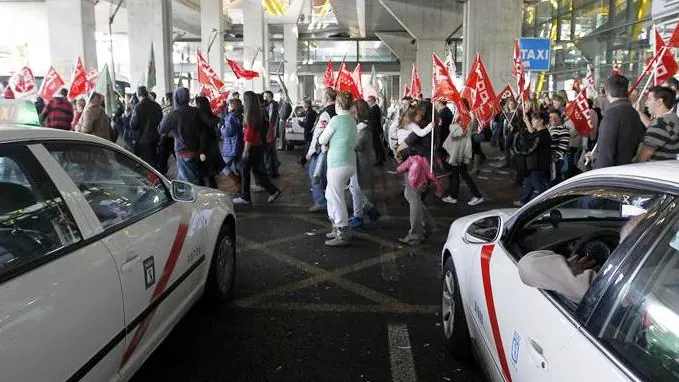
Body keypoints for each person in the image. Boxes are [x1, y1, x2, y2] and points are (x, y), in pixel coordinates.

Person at [319, 91, 357, 246]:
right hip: (350, 163)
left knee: (336, 197)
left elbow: (322, 139)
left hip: (337, 163)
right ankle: (336, 226)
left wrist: (325, 143)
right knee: (330, 195)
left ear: (338, 104)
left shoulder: (335, 120)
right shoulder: (353, 120)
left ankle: (342, 231)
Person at [232, 91, 282, 205]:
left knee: (244, 171)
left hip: (251, 147)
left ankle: (245, 197)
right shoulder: (258, 113)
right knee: (258, 173)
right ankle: (273, 190)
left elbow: (248, 136)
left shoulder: (250, 115)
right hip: (258, 146)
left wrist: (245, 151)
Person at [158, 87, 209, 185]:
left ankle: (197, 198)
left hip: (183, 151)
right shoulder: (196, 111)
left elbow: (161, 129)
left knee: (190, 182)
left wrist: (174, 129)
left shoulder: (173, 114)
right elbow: (205, 128)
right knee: (185, 176)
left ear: (175, 98)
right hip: (197, 149)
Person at [591, 75, 643, 169]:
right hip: (628, 169)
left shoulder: (612, 114)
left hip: (611, 174)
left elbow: (605, 155)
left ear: (607, 92)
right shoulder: (634, 113)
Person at [440, 108, 484, 206]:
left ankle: (456, 196)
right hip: (460, 151)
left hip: (458, 152)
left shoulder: (464, 120)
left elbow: (455, 133)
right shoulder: (467, 119)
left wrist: (453, 123)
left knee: (458, 174)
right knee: (463, 174)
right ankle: (475, 195)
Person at [349, 99, 381, 229]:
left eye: (352, 111)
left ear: (358, 112)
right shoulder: (362, 126)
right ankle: (367, 211)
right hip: (357, 162)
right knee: (354, 188)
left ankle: (360, 216)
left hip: (360, 163)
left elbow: (358, 145)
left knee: (356, 189)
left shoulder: (364, 128)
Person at [306, 87, 337, 212]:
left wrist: (310, 151)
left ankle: (320, 201)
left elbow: (318, 134)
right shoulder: (337, 110)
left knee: (315, 175)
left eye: (322, 96)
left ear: (327, 97)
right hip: (333, 149)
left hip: (322, 150)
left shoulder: (326, 113)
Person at [514, 109, 552, 206]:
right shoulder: (541, 132)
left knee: (539, 187)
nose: (532, 121)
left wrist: (520, 146)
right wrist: (526, 122)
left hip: (538, 165)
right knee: (530, 184)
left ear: (541, 121)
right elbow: (533, 135)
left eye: (534, 119)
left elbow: (530, 147)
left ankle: (547, 204)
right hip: (536, 164)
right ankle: (524, 200)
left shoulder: (542, 135)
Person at [636, 86, 679, 161]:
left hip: (654, 169)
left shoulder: (660, 123)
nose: (646, 102)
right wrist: (640, 112)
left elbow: (647, 152)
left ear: (659, 101)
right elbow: (655, 131)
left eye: (649, 99)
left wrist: (634, 166)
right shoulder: (672, 118)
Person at [194, 96, 226, 188]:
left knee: (205, 175)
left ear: (199, 105)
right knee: (209, 176)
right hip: (213, 148)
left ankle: (208, 196)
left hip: (205, 150)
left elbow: (203, 136)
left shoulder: (200, 117)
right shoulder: (211, 116)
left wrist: (201, 151)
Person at [130, 86, 163, 170]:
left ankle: (152, 180)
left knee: (148, 164)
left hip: (144, 139)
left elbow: (133, 125)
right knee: (155, 159)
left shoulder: (138, 107)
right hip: (157, 137)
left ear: (138, 95)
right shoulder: (157, 106)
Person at [221, 98, 244, 189]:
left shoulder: (231, 117)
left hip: (230, 146)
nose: (228, 107)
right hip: (238, 145)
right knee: (238, 167)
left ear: (233, 107)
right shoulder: (240, 116)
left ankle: (236, 181)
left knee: (222, 165)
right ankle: (242, 187)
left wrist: (222, 128)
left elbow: (228, 132)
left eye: (229, 105)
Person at [548, 107, 570, 183]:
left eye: (555, 117)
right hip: (549, 160)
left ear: (559, 118)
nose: (552, 119)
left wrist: (555, 158)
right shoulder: (549, 128)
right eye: (551, 117)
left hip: (557, 161)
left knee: (556, 181)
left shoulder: (563, 130)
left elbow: (562, 147)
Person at [262, 90, 280, 178]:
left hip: (270, 132)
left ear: (271, 97)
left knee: (268, 153)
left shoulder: (273, 105)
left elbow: (271, 121)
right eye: (264, 97)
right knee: (272, 152)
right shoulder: (268, 106)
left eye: (267, 97)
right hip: (271, 132)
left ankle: (270, 172)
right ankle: (274, 171)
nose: (265, 99)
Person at [158, 92, 175, 175]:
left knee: (162, 159)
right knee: (178, 159)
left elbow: (162, 125)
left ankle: (161, 176)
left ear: (168, 99)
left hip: (166, 137)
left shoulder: (165, 110)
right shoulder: (177, 109)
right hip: (176, 138)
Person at [367, 96, 385, 166]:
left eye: (368, 101)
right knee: (378, 145)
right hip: (375, 129)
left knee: (376, 145)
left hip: (375, 129)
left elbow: (374, 121)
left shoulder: (374, 108)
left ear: (372, 101)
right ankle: (381, 157)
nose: (367, 102)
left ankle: (379, 159)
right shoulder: (373, 108)